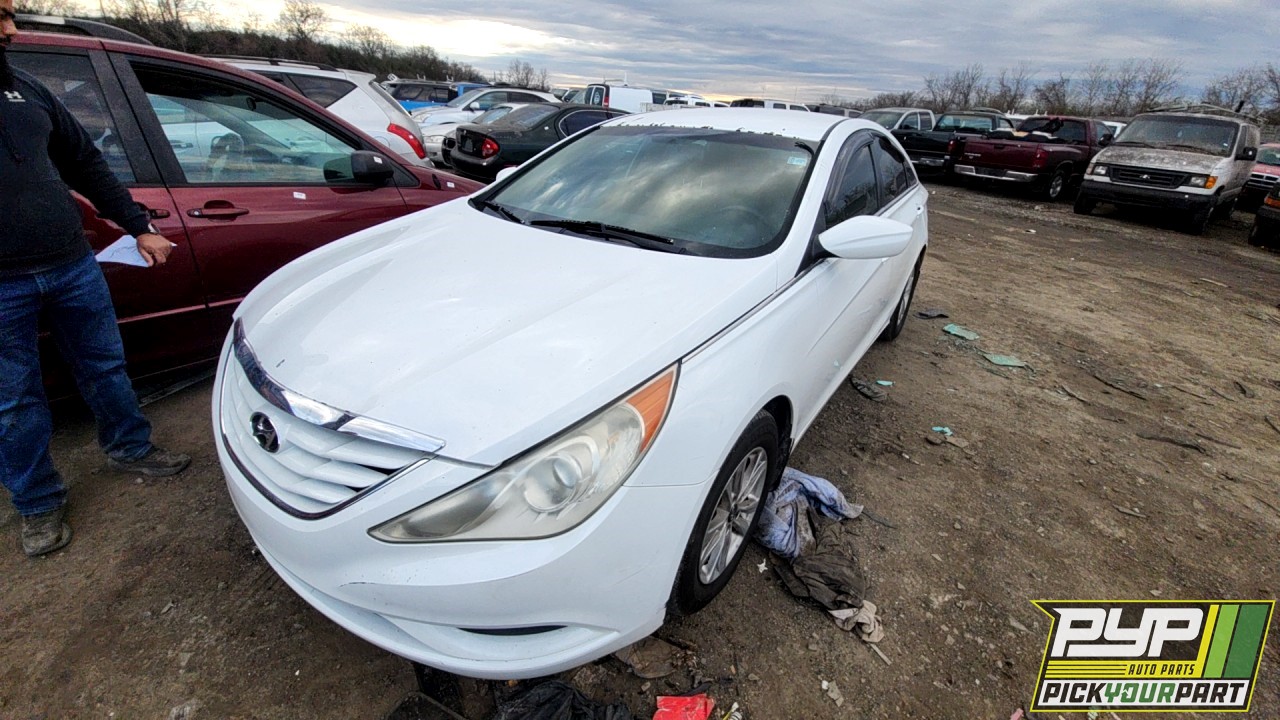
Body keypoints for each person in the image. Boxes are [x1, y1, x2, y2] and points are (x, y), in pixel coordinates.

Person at [1, 1, 191, 557]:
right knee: (13, 401)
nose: (11, 29)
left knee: (104, 364)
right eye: (1, 16)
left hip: (70, 263)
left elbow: (86, 163)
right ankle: (37, 503)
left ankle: (131, 447)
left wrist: (139, 226)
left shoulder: (25, 90)